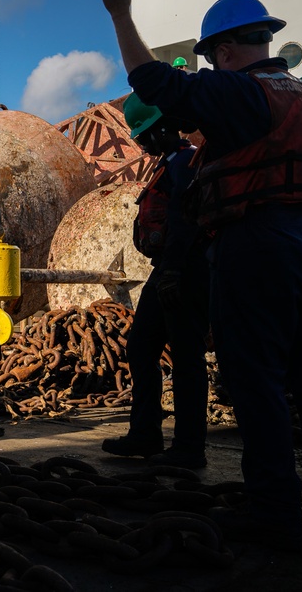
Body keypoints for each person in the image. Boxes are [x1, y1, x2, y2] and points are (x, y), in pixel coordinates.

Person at [102, 0, 302, 550]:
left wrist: (120, 12)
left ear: (224, 51)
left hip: (253, 247)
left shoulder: (242, 91)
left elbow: (155, 83)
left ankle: (274, 511)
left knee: (257, 381)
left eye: (214, 58)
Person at [102, 94, 210, 469]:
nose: (142, 144)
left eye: (147, 134)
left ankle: (188, 447)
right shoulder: (169, 163)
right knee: (141, 346)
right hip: (167, 268)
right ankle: (145, 433)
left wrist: (176, 272)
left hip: (185, 269)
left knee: (185, 356)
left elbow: (185, 219)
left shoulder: (185, 162)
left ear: (166, 128)